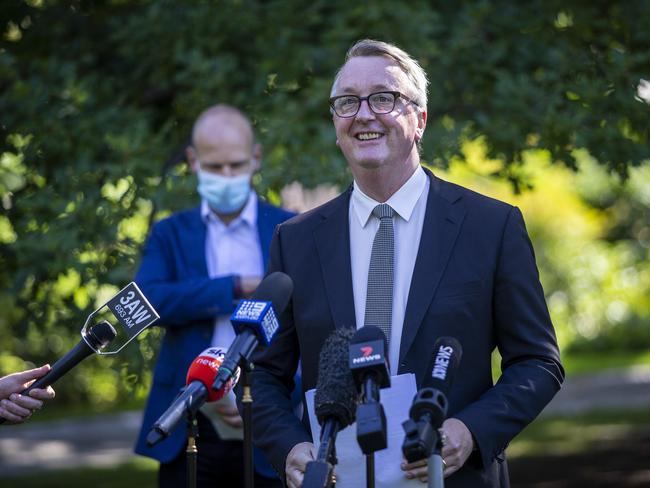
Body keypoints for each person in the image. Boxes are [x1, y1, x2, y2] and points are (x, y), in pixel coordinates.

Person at [246, 39, 564, 488]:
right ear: (336, 124)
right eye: (347, 102)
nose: (364, 114)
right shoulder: (296, 240)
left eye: (384, 97)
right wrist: (290, 448)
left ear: (420, 121)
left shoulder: (490, 226)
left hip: (453, 477)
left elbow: (537, 362)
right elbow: (265, 375)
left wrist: (470, 431)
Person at [133, 104, 295, 488]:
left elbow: (309, 321)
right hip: (189, 418)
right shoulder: (169, 233)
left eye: (236, 165)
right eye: (215, 166)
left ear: (255, 159)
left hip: (268, 417)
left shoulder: (289, 227)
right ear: (192, 161)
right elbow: (148, 302)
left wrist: (275, 398)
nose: (226, 176)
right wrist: (235, 286)